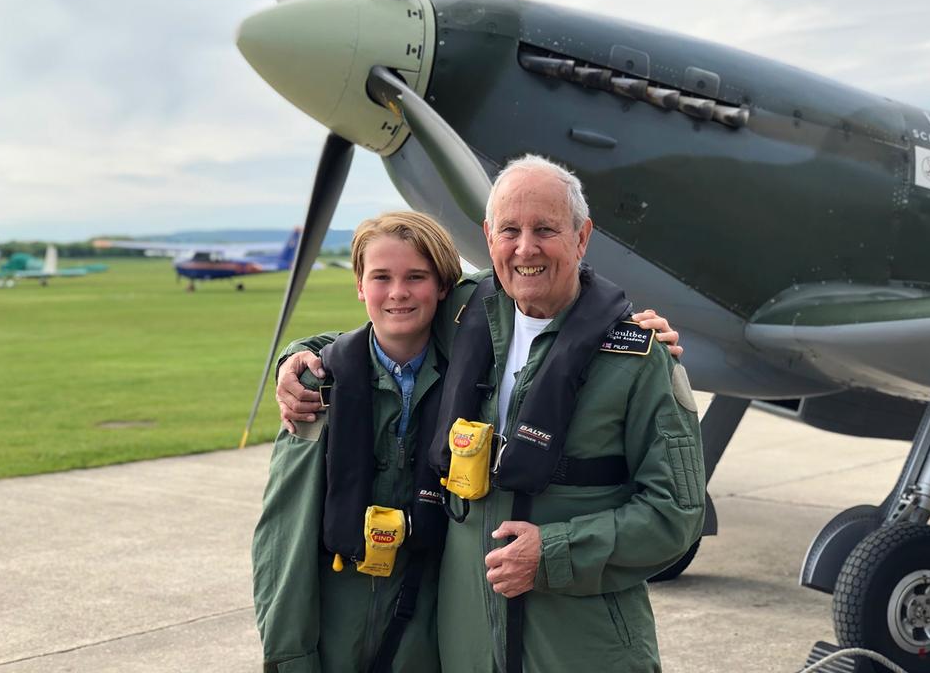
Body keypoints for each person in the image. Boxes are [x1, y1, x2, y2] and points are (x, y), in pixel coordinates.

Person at [276, 155, 704, 673]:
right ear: (488, 235)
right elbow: (386, 323)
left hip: (583, 650)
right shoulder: (461, 317)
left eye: (545, 229)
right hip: (466, 647)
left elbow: (676, 514)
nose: (526, 248)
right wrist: (299, 355)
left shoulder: (637, 357)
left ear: (582, 236)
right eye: (510, 230)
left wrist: (553, 552)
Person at [252, 211, 462, 673]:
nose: (398, 292)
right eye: (381, 277)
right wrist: (290, 656)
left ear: (444, 286)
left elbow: (527, 292)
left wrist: (626, 325)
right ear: (360, 285)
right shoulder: (319, 385)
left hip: (427, 628)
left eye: (416, 277)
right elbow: (284, 536)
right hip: (334, 624)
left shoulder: (472, 381)